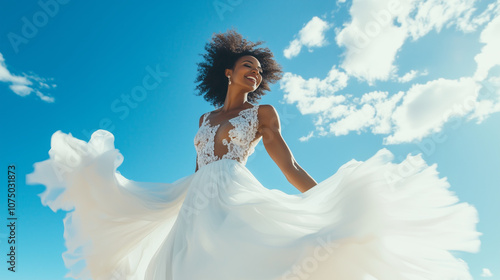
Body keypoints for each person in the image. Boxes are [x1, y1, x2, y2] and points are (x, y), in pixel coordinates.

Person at [27, 29, 481, 280]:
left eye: (259, 71)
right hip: (196, 205)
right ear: (229, 71)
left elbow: (290, 167)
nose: (255, 73)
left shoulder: (263, 114)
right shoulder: (203, 121)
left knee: (245, 261)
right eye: (248, 66)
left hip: (235, 196)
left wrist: (327, 202)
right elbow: (198, 170)